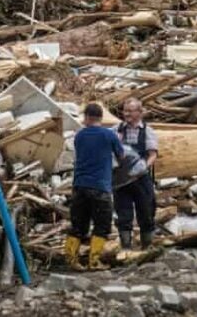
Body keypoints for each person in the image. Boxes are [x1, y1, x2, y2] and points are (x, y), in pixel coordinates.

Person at [64, 103, 124, 271]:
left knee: (78, 225)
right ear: (100, 117)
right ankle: (94, 261)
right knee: (102, 225)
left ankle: (71, 260)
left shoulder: (79, 136)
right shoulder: (109, 135)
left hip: (79, 186)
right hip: (100, 187)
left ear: (88, 117)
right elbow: (121, 156)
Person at [113, 98, 159, 250]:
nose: (127, 114)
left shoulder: (148, 131)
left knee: (146, 211)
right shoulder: (116, 129)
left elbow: (153, 154)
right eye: (125, 111)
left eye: (130, 111)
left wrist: (143, 167)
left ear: (140, 112)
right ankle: (125, 247)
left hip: (140, 178)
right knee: (123, 213)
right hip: (121, 180)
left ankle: (147, 246)